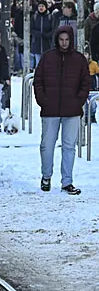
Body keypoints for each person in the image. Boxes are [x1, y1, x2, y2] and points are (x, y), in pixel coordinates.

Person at [33, 26, 90, 195]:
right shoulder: (48, 57)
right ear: (57, 39)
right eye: (61, 39)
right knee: (47, 145)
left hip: (72, 110)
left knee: (69, 146)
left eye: (67, 39)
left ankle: (67, 181)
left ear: (71, 40)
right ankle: (46, 176)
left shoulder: (79, 60)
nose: (64, 43)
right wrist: (43, 100)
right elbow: (38, 80)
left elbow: (85, 83)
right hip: (50, 109)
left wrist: (78, 101)